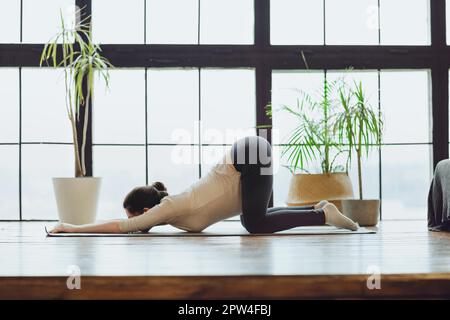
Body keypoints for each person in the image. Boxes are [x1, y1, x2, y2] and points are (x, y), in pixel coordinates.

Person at [50, 136, 358, 234]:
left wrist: (73, 229)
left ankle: (323, 216)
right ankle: (316, 209)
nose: (136, 222)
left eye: (135, 215)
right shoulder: (173, 211)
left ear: (144, 210)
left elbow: (120, 227)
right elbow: (127, 223)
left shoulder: (168, 207)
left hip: (248, 155)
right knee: (252, 214)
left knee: (253, 222)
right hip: (248, 155)